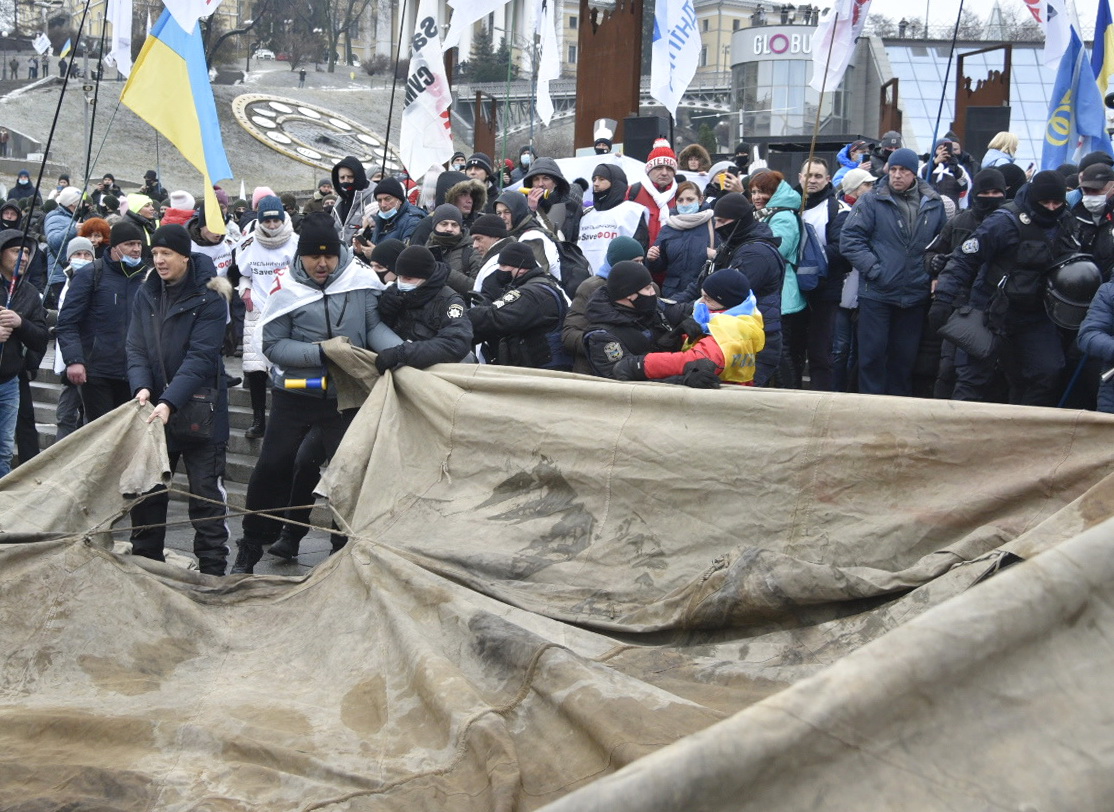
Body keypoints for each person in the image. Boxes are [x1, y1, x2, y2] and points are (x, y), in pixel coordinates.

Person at [232, 213, 403, 573]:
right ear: (301, 256)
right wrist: (321, 352)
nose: (322, 264)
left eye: (329, 256)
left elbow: (374, 328)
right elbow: (273, 345)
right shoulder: (285, 287)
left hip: (347, 396)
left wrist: (404, 354)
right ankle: (251, 544)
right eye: (314, 257)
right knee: (273, 465)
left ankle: (342, 549)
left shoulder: (359, 281)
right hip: (296, 391)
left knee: (350, 471)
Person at [125, 224, 231, 575]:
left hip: (201, 409)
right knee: (149, 489)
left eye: (166, 253)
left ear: (185, 255)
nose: (158, 260)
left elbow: (201, 357)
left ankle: (214, 570)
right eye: (154, 253)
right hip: (156, 410)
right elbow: (136, 347)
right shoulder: (147, 293)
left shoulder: (211, 296)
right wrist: (141, 386)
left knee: (204, 494)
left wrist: (169, 401)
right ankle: (146, 561)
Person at [932, 170, 1081, 406]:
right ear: (1033, 198)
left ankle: (1024, 433)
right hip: (990, 311)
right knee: (972, 380)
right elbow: (964, 258)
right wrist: (943, 298)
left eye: (1057, 202)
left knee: (1047, 372)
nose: (1052, 208)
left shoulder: (1065, 221)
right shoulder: (1003, 222)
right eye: (1045, 202)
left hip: (1035, 315)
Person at [841, 147, 945, 396]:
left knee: (904, 360)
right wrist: (875, 270)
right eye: (894, 169)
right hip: (877, 293)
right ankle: (869, 408)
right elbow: (850, 239)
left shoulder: (933, 203)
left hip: (914, 294)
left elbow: (941, 243)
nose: (897, 175)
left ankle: (899, 410)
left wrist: (932, 273)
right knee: (872, 357)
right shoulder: (872, 200)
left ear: (914, 173)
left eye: (904, 170)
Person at [922, 168, 1008, 399]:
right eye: (985, 192)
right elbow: (931, 253)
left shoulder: (1010, 224)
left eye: (996, 192)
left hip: (998, 306)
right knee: (949, 368)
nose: (990, 198)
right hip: (960, 306)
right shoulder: (960, 221)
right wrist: (936, 263)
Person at [56, 223, 150, 423]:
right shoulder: (91, 274)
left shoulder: (148, 277)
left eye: (139, 244)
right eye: (129, 244)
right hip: (98, 372)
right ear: (115, 246)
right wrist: (74, 360)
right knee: (102, 433)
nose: (136, 249)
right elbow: (67, 322)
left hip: (135, 372)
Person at [612, 268, 765, 387]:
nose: (701, 303)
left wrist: (640, 365)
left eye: (708, 299)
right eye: (702, 296)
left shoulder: (729, 328)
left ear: (726, 301)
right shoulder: (744, 319)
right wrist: (677, 336)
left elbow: (697, 360)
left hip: (721, 400)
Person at [235, 195, 298, 439]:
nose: (272, 226)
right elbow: (238, 272)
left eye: (276, 221)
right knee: (256, 369)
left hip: (286, 309)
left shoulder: (294, 242)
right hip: (257, 308)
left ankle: (285, 420)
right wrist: (244, 287)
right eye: (267, 221)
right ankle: (258, 419)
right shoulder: (249, 241)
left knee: (285, 368)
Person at [467, 242, 572, 371]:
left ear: (521, 268)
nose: (500, 270)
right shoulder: (537, 287)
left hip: (545, 373)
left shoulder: (533, 293)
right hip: (537, 371)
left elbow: (497, 317)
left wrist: (460, 316)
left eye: (504, 265)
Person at [374, 245, 473, 373]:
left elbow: (456, 343)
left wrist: (402, 354)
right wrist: (385, 310)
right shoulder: (394, 292)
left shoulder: (450, 302)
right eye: (400, 277)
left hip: (437, 373)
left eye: (408, 278)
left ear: (426, 278)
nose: (402, 282)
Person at [581, 260, 683, 379]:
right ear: (629, 293)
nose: (653, 293)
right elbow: (624, 375)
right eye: (648, 288)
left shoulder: (650, 308)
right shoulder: (601, 336)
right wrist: (683, 377)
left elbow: (682, 310)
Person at [0, 230, 48, 477]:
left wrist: (21, 322)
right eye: (17, 251)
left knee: (4, 450)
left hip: (9, 381)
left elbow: (41, 337)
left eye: (27, 252)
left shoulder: (29, 293)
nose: (24, 257)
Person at [564, 237, 646, 374]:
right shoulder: (591, 288)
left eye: (642, 261)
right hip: (592, 372)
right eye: (635, 262)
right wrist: (603, 345)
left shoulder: (648, 288)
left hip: (634, 368)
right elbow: (570, 333)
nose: (640, 267)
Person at [829, 168, 876, 392]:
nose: (872, 188)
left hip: (857, 291)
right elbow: (842, 251)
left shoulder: (864, 210)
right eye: (867, 185)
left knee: (853, 349)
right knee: (841, 348)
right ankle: (839, 390)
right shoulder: (844, 214)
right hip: (844, 291)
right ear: (856, 189)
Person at [646, 181, 715, 298]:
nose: (685, 204)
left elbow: (726, 260)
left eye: (690, 199)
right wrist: (652, 258)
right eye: (680, 200)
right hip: (672, 294)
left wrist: (714, 255)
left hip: (703, 294)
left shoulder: (713, 224)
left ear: (700, 200)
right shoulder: (668, 228)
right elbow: (658, 268)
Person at [578, 163, 649, 273]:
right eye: (594, 179)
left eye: (602, 179)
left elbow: (639, 249)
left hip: (620, 278)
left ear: (615, 183)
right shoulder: (586, 215)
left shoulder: (632, 212)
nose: (596, 184)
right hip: (587, 280)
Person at [628, 138, 679, 246]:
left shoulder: (681, 194)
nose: (664, 173)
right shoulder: (633, 191)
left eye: (669, 168)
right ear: (649, 170)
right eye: (659, 168)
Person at [522, 156, 583, 242]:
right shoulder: (524, 206)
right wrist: (531, 210)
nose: (540, 184)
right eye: (536, 179)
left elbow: (576, 240)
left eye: (545, 179)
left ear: (556, 182)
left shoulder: (571, 207)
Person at [424, 203, 476, 293]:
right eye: (444, 224)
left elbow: (477, 288)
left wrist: (446, 272)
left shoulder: (472, 251)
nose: (449, 229)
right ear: (434, 226)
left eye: (454, 225)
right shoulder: (425, 250)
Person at [43, 186, 82, 305]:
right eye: (79, 203)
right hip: (60, 275)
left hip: (72, 273)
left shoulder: (72, 217)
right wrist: (73, 229)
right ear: (71, 204)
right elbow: (53, 240)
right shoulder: (55, 217)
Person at [364, 176, 424, 246]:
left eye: (388, 199)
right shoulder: (380, 220)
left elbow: (407, 254)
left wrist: (375, 254)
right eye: (379, 200)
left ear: (399, 200)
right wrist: (361, 251)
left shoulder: (413, 221)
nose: (383, 205)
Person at [330, 155, 375, 245]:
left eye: (350, 177)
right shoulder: (340, 201)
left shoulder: (373, 197)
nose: (346, 181)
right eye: (342, 178)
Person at [921, 139, 971, 209]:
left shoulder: (960, 169)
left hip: (952, 210)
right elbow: (922, 178)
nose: (943, 151)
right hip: (931, 208)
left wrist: (956, 171)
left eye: (946, 149)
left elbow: (964, 186)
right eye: (940, 148)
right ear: (935, 151)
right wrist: (934, 163)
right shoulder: (927, 166)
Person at [469, 213, 513, 290]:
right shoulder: (507, 257)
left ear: (496, 236)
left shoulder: (499, 264)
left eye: (478, 239)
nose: (474, 245)